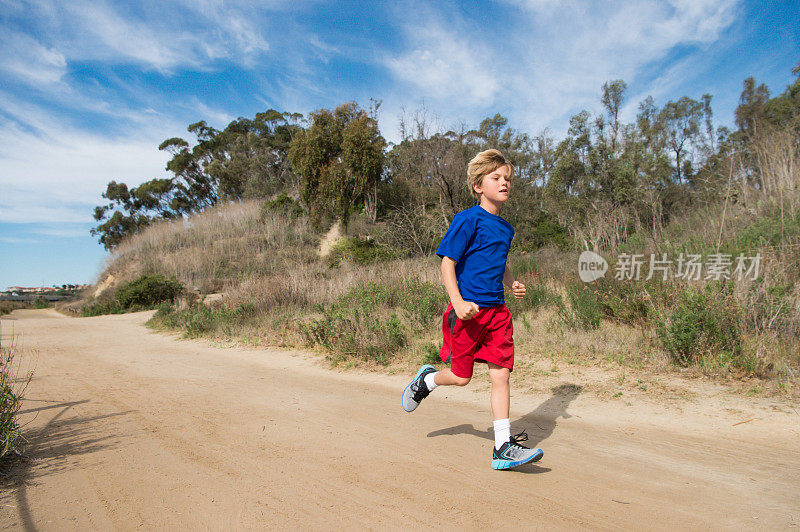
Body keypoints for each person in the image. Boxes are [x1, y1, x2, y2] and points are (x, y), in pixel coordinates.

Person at [401, 148, 543, 470]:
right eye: (496, 178)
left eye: (507, 178)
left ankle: (502, 448)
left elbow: (500, 262)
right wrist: (457, 302)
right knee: (462, 378)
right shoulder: (467, 219)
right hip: (469, 313)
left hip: (498, 314)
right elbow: (448, 263)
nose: (504, 183)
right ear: (479, 185)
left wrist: (513, 282)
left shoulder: (505, 228)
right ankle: (426, 381)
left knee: (501, 374)